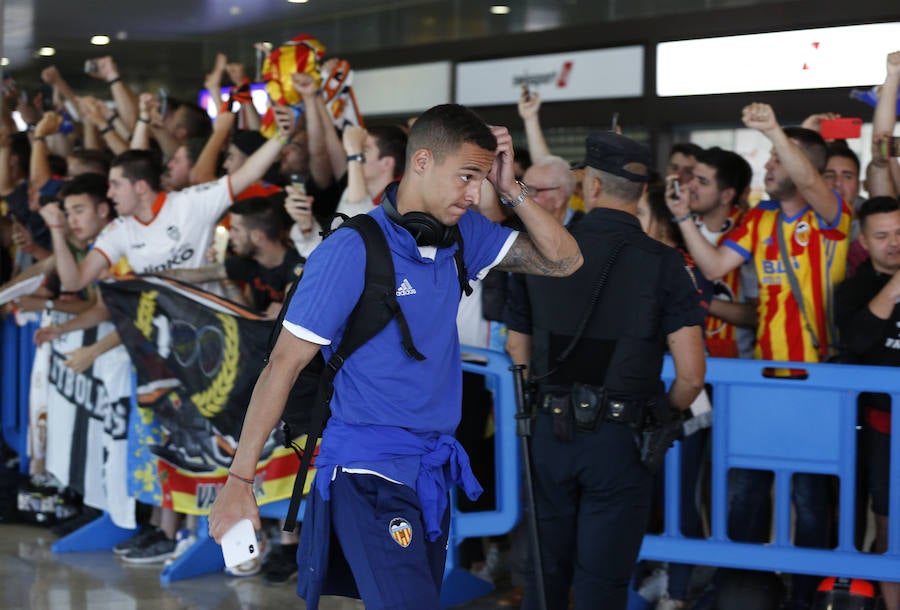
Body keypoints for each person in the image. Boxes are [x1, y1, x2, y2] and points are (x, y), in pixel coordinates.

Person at [208, 103, 582, 610]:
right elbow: (283, 365)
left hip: (428, 469)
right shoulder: (350, 250)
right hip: (368, 473)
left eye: (482, 178)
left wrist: (512, 187)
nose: (476, 194)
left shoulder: (463, 235)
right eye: (467, 177)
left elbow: (565, 261)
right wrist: (239, 480)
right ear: (422, 161)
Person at [667, 103, 850, 610]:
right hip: (760, 381)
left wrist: (774, 129)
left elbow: (812, 183)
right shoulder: (760, 219)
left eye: (774, 161)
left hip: (817, 386)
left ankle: (808, 600)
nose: (767, 168)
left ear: (797, 166)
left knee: (810, 503)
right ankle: (737, 595)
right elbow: (716, 262)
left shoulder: (830, 215)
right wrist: (682, 217)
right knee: (744, 493)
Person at [516, 132, 706, 610]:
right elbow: (690, 374)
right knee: (603, 583)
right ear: (641, 193)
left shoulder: (540, 252)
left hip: (546, 430)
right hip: (622, 440)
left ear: (592, 188)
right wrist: (659, 414)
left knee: (545, 572)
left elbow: (519, 350)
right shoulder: (665, 264)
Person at [834, 196, 900, 610]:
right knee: (889, 523)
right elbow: (856, 339)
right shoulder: (853, 288)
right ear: (864, 240)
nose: (894, 243)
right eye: (883, 236)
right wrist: (895, 287)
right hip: (882, 425)